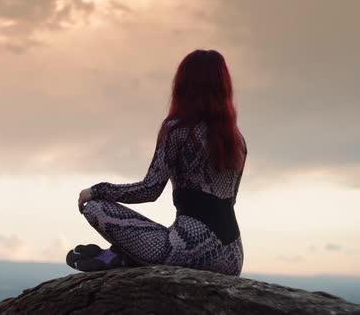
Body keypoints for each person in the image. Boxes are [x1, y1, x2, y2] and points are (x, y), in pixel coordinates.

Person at [66, 49, 247, 276]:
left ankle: (124, 257)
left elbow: (149, 190)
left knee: (95, 207)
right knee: (169, 235)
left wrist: (97, 190)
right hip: (233, 257)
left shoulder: (178, 129)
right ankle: (123, 257)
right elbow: (231, 200)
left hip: (186, 250)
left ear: (183, 85)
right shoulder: (236, 140)